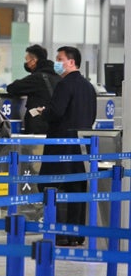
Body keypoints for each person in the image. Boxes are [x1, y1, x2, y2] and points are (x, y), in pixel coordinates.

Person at [38, 46, 96, 247]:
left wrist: (43, 112)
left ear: (71, 62)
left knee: (55, 188)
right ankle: (76, 235)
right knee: (77, 189)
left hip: (61, 148)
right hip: (82, 149)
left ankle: (60, 234)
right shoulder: (89, 87)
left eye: (60, 58)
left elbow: (56, 112)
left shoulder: (64, 85)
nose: (57, 61)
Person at [5, 44, 61, 134]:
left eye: (27, 60)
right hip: (55, 126)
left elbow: (13, 87)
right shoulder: (58, 77)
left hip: (38, 127)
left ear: (34, 61)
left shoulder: (37, 78)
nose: (26, 63)